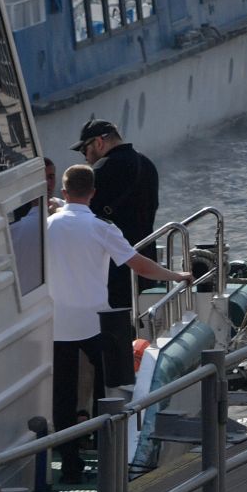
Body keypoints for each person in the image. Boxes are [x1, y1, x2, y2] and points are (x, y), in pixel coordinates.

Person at [47, 163, 192, 483]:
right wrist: (176, 275)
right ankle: (108, 454)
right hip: (97, 323)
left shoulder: (48, 226)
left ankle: (70, 465)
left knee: (63, 398)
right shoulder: (103, 228)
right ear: (94, 193)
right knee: (109, 391)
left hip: (57, 325)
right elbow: (139, 265)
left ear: (64, 191)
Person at [76, 120, 159, 390]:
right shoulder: (147, 165)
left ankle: (112, 395)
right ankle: (139, 384)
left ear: (99, 142)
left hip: (112, 267)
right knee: (138, 330)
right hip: (144, 260)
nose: (85, 157)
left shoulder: (101, 170)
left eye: (85, 150)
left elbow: (85, 217)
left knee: (111, 336)